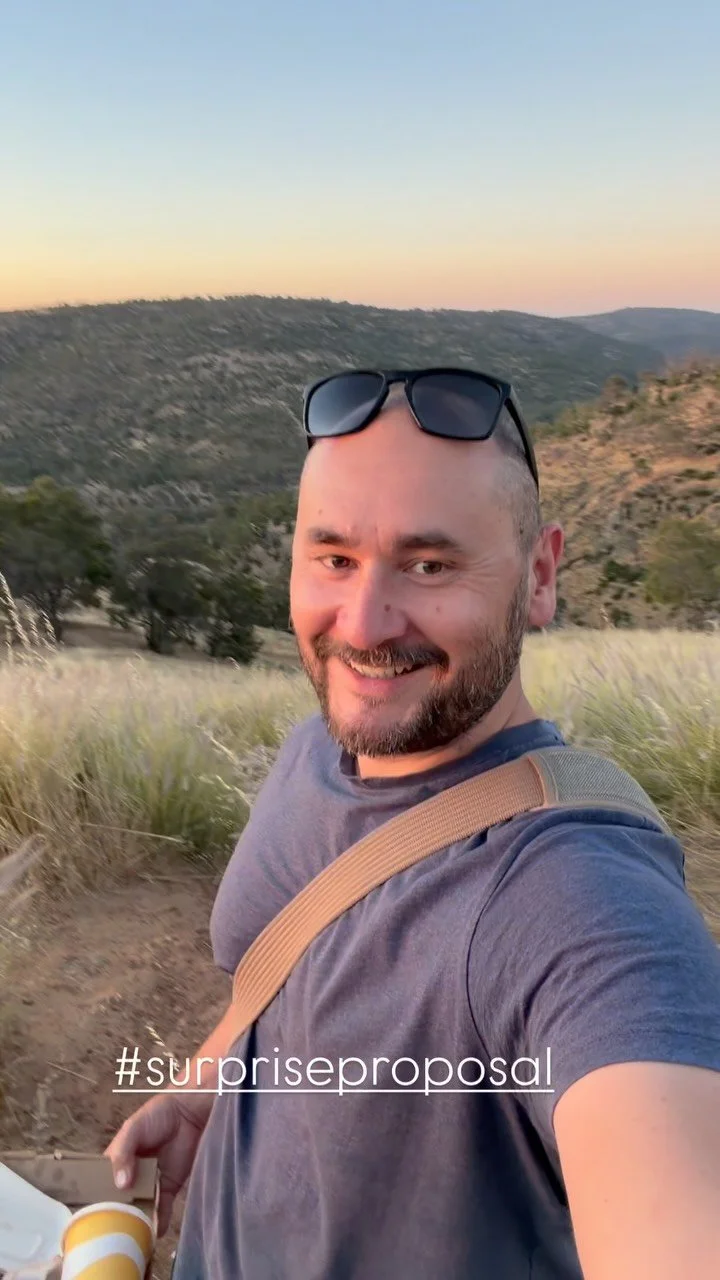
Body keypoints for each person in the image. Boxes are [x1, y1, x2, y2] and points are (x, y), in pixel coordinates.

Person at [106, 367, 720, 1279]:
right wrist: (208, 1090)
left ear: (540, 577)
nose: (364, 625)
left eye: (429, 566)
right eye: (334, 559)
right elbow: (285, 976)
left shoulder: (575, 897)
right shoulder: (318, 751)